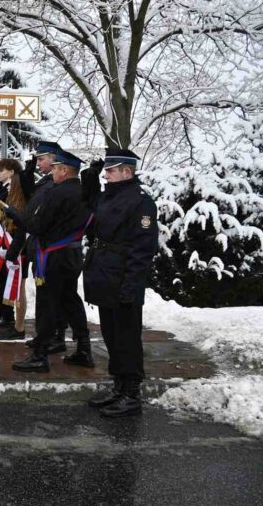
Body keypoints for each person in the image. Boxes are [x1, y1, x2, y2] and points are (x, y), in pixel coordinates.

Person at [82, 149, 159, 417]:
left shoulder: (141, 202)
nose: (106, 174)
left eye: (110, 171)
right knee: (112, 336)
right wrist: (89, 181)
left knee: (127, 339)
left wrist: (132, 285)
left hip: (123, 278)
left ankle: (131, 394)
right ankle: (118, 387)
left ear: (127, 171)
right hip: (105, 275)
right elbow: (92, 218)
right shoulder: (108, 196)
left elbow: (143, 249)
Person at [9, 150, 93, 373]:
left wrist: (16, 216)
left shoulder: (56, 194)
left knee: (46, 303)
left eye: (55, 168)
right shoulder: (85, 191)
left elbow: (36, 225)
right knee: (70, 299)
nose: (52, 172)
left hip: (53, 256)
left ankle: (40, 355)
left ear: (64, 170)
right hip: (73, 255)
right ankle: (84, 348)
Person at [9, 141, 69, 352]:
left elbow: (39, 214)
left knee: (54, 297)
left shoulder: (57, 184)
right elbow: (32, 199)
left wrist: (19, 217)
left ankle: (55, 336)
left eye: (41, 158)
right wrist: (27, 175)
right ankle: (45, 335)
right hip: (40, 246)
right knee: (45, 296)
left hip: (52, 249)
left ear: (54, 159)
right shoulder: (47, 181)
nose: (38, 162)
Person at [0, 159, 26, 334]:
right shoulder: (2, 188)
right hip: (3, 237)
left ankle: (9, 317)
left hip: (14, 239)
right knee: (1, 279)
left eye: (1, 170)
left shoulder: (17, 188)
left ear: (11, 172)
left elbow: (16, 212)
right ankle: (2, 312)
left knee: (10, 280)